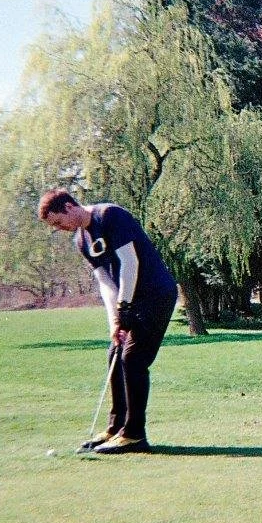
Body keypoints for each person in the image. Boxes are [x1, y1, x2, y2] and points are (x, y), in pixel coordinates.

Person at [38, 189, 178, 454]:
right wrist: (115, 319)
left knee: (133, 358)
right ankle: (116, 428)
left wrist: (125, 306)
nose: (59, 228)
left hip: (155, 294)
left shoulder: (110, 216)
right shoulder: (82, 240)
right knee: (114, 353)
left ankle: (134, 435)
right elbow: (105, 281)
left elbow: (130, 262)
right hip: (129, 298)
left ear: (69, 207)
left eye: (58, 222)